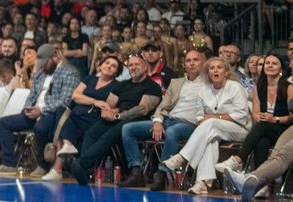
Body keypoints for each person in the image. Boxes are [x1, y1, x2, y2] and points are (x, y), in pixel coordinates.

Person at [67, 53, 163, 186]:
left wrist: (118, 115)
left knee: (111, 133)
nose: (133, 67)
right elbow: (109, 104)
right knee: (93, 131)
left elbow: (142, 109)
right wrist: (107, 112)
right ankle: (86, 172)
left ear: (145, 67)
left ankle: (82, 164)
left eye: (137, 64)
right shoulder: (122, 85)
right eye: (130, 65)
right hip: (119, 118)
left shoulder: (152, 86)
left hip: (139, 121)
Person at [118, 49, 207, 190]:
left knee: (172, 132)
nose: (191, 63)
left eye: (195, 60)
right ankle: (136, 172)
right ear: (184, 65)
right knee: (128, 129)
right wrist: (158, 121)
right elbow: (162, 106)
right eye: (188, 60)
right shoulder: (176, 82)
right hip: (168, 120)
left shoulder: (208, 84)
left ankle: (162, 173)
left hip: (189, 124)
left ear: (203, 63)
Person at [161, 57, 250, 194]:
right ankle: (202, 183)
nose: (215, 70)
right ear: (208, 73)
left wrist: (215, 117)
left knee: (211, 123)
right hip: (214, 130)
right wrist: (202, 120)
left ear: (226, 72)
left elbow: (241, 115)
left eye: (219, 67)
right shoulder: (204, 89)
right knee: (210, 141)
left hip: (239, 128)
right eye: (212, 68)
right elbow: (198, 114)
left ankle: (182, 157)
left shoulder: (235, 87)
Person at [0, 43, 79, 177]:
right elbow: (32, 94)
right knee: (3, 123)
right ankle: (8, 164)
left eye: (45, 61)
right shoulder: (41, 73)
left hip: (52, 113)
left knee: (40, 127)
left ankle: (43, 164)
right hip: (34, 111)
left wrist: (41, 110)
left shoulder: (69, 73)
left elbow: (65, 101)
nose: (42, 65)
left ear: (55, 57)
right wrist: (27, 108)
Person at [215, 53, 292, 177]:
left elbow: (291, 117)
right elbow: (256, 113)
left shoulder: (289, 87)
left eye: (274, 63)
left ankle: (238, 159)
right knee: (261, 143)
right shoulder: (259, 86)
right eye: (267, 63)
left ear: (281, 68)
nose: (270, 66)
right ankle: (261, 184)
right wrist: (261, 118)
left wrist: (274, 119)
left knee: (261, 127)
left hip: (284, 129)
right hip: (265, 129)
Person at [47, 55, 122, 181]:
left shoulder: (117, 86)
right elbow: (75, 95)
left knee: (64, 123)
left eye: (113, 66)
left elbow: (109, 106)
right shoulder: (89, 79)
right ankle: (67, 145)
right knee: (61, 111)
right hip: (76, 116)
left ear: (116, 72)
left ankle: (57, 168)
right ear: (100, 65)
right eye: (107, 63)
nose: (109, 66)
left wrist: (93, 103)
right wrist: (95, 101)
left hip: (94, 120)